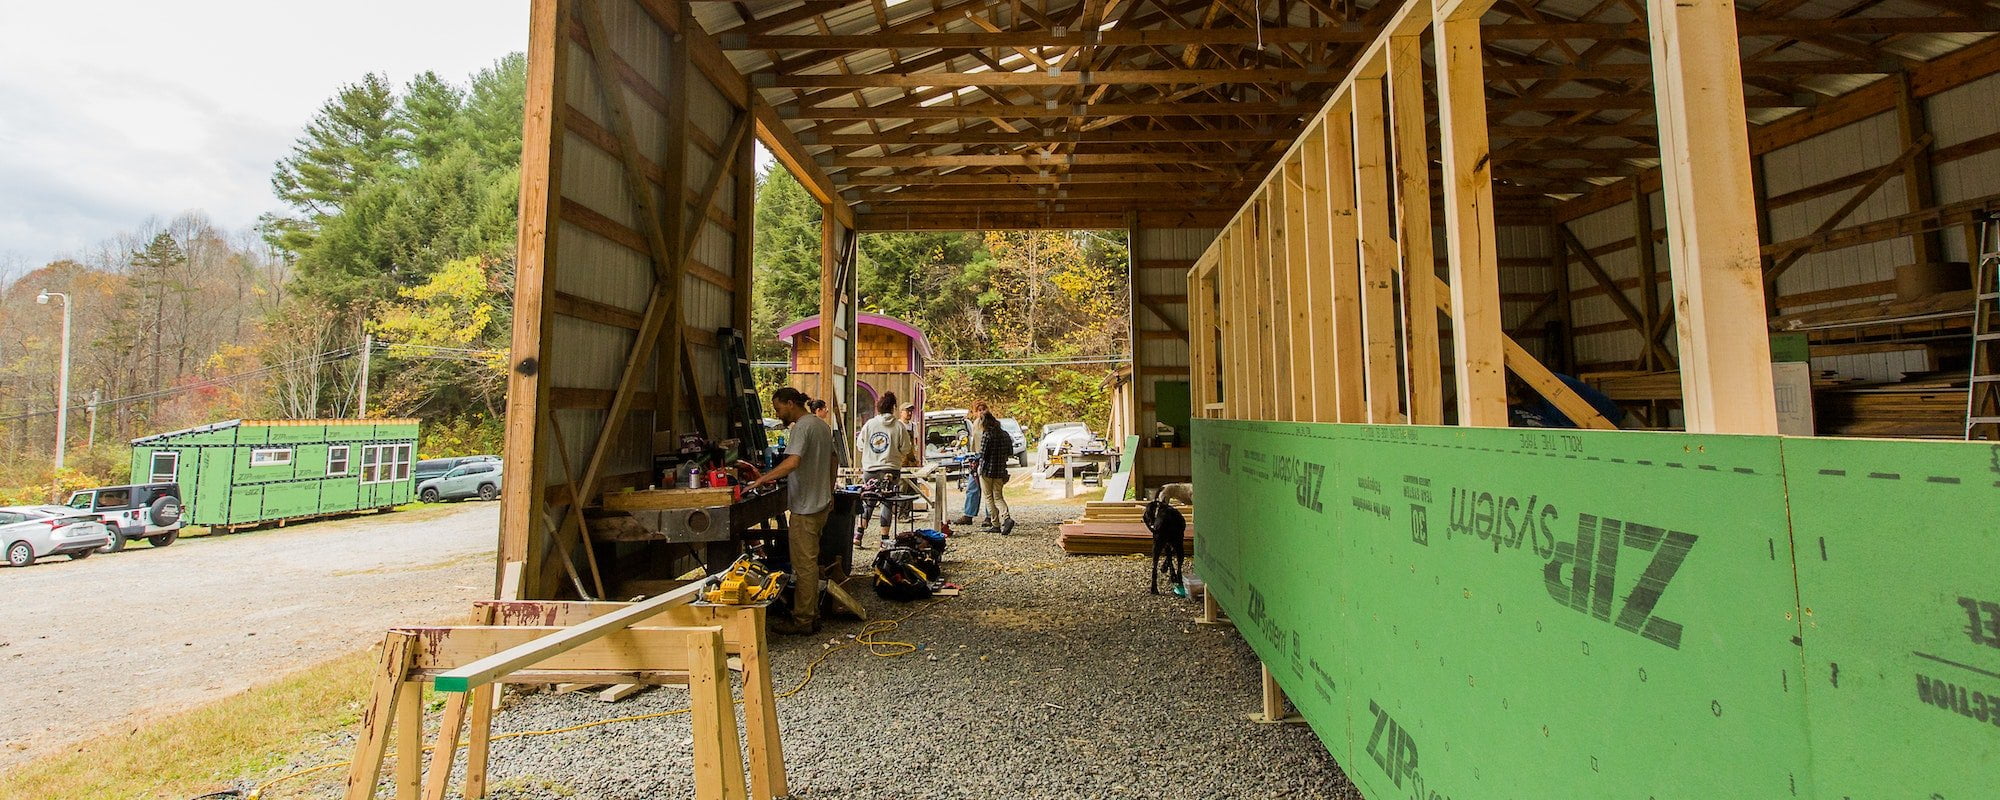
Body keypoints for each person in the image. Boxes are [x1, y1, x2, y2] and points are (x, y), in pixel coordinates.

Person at [745, 387, 836, 635]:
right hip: (820, 504)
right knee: (811, 561)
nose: (778, 413)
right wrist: (829, 490)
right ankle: (813, 613)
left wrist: (762, 479)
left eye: (778, 408)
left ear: (791, 403)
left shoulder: (802, 427)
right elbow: (833, 459)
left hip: (805, 508)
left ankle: (803, 620)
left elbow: (793, 461)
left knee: (803, 566)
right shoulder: (821, 426)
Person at [854, 392, 914, 546]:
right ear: (894, 408)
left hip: (870, 469)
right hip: (891, 469)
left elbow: (860, 445)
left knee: (869, 501)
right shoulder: (899, 426)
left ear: (878, 407)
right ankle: (884, 540)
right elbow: (906, 448)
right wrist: (896, 454)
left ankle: (858, 536)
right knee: (887, 503)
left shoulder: (869, 424)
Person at [976, 410, 1015, 535]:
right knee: (998, 496)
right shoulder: (1005, 434)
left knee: (988, 497)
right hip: (1000, 470)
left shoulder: (987, 435)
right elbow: (1010, 452)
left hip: (986, 470)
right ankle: (1007, 517)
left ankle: (995, 524)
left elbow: (983, 454)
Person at [953, 401, 989, 526]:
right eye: (979, 410)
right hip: (976, 457)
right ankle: (968, 514)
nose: (981, 412)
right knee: (972, 488)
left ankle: (990, 516)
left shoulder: (992, 424)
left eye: (983, 409)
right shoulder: (975, 424)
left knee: (988, 489)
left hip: (988, 459)